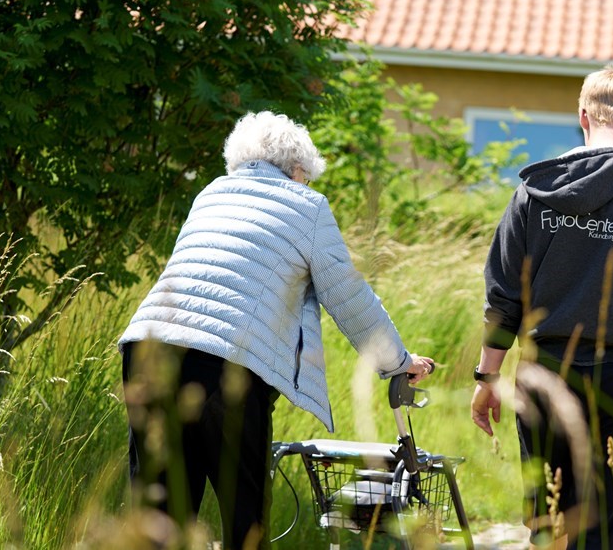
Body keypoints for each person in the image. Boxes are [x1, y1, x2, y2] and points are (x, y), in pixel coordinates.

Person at [118, 111, 435, 549]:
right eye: (306, 179)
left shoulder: (210, 193)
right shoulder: (306, 206)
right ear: (298, 170)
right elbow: (349, 296)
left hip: (147, 349)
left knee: (158, 521)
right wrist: (399, 361)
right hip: (226, 361)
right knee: (244, 519)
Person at [470, 66, 613, 549]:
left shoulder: (533, 194)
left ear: (582, 117)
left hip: (544, 378)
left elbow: (503, 299)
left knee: (548, 526)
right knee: (608, 532)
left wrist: (488, 377)